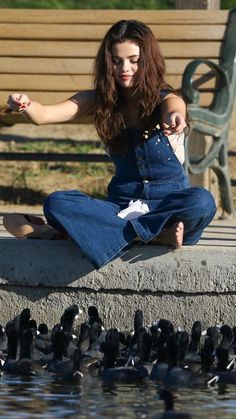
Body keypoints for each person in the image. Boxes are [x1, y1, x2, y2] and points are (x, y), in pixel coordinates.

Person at [3, 19, 216, 269]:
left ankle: (108, 235)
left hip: (167, 209)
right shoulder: (97, 101)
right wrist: (26, 105)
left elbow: (174, 106)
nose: (125, 68)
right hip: (121, 207)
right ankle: (151, 235)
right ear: (108, 63)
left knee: (202, 202)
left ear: (148, 61)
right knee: (57, 202)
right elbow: (45, 115)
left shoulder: (164, 99)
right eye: (117, 61)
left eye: (134, 60)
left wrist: (174, 117)